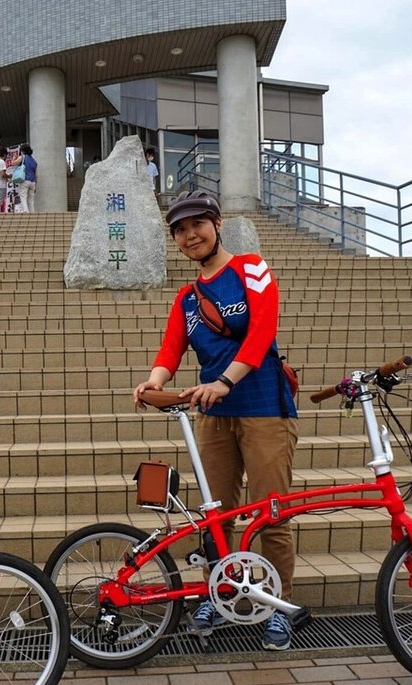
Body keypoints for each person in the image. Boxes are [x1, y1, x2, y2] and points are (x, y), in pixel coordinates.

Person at [132, 190, 310, 651]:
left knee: (271, 513)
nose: (190, 235)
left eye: (198, 224)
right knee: (216, 517)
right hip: (214, 414)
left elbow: (262, 332)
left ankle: (279, 605)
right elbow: (171, 349)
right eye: (180, 230)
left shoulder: (251, 269)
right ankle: (222, 592)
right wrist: (153, 382)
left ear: (217, 225)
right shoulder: (187, 298)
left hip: (264, 408)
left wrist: (226, 381)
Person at [19, 144, 37, 213]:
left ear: (23, 151)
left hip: (25, 180)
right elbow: (36, 174)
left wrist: (14, 159)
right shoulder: (34, 161)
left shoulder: (23, 157)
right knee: (31, 200)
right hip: (33, 182)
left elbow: (13, 163)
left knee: (23, 197)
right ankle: (32, 214)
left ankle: (26, 212)